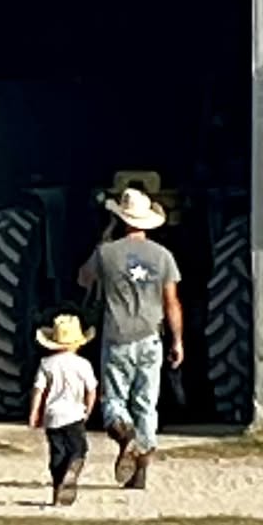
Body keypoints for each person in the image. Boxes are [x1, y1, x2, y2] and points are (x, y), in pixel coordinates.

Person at [77, 187, 182, 490]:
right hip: (151, 337)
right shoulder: (164, 257)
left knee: (114, 400)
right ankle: (139, 474)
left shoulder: (106, 253)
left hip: (117, 336)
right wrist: (177, 341)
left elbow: (83, 279)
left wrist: (104, 239)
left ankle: (125, 436)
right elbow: (172, 301)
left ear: (121, 218)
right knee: (146, 404)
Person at [28, 314, 98, 506]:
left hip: (52, 416)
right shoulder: (83, 364)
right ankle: (73, 467)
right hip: (75, 414)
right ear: (78, 343)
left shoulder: (46, 364)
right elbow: (91, 391)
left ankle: (58, 484)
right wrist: (88, 410)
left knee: (57, 452)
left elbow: (38, 390)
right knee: (79, 448)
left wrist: (34, 413)